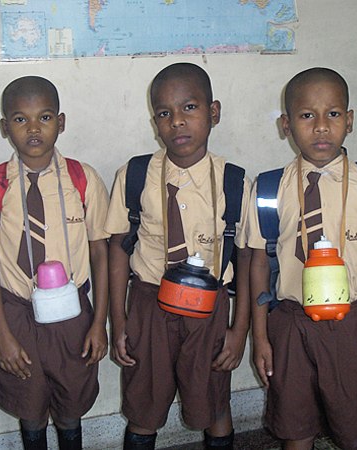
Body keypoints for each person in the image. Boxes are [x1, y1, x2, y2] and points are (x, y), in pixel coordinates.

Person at [247, 67, 357, 450]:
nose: (321, 126)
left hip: (356, 325)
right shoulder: (269, 188)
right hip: (290, 324)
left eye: (333, 114)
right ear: (286, 124)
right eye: (307, 115)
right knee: (295, 429)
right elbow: (258, 264)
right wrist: (260, 337)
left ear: (349, 120)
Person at [106, 62, 252, 450]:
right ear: (155, 121)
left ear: (213, 112)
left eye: (189, 107)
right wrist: (118, 320)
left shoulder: (234, 182)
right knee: (143, 404)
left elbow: (248, 261)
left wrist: (239, 330)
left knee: (214, 401)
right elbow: (118, 251)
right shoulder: (134, 175)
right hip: (148, 304)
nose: (177, 122)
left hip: (209, 308)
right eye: (164, 113)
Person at [0, 76, 109, 450]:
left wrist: (99, 323)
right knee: (29, 407)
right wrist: (1, 334)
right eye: (21, 119)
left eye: (45, 117)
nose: (33, 128)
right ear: (5, 127)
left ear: (60, 122)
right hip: (17, 313)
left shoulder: (83, 179)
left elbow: (101, 254)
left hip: (73, 313)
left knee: (71, 405)